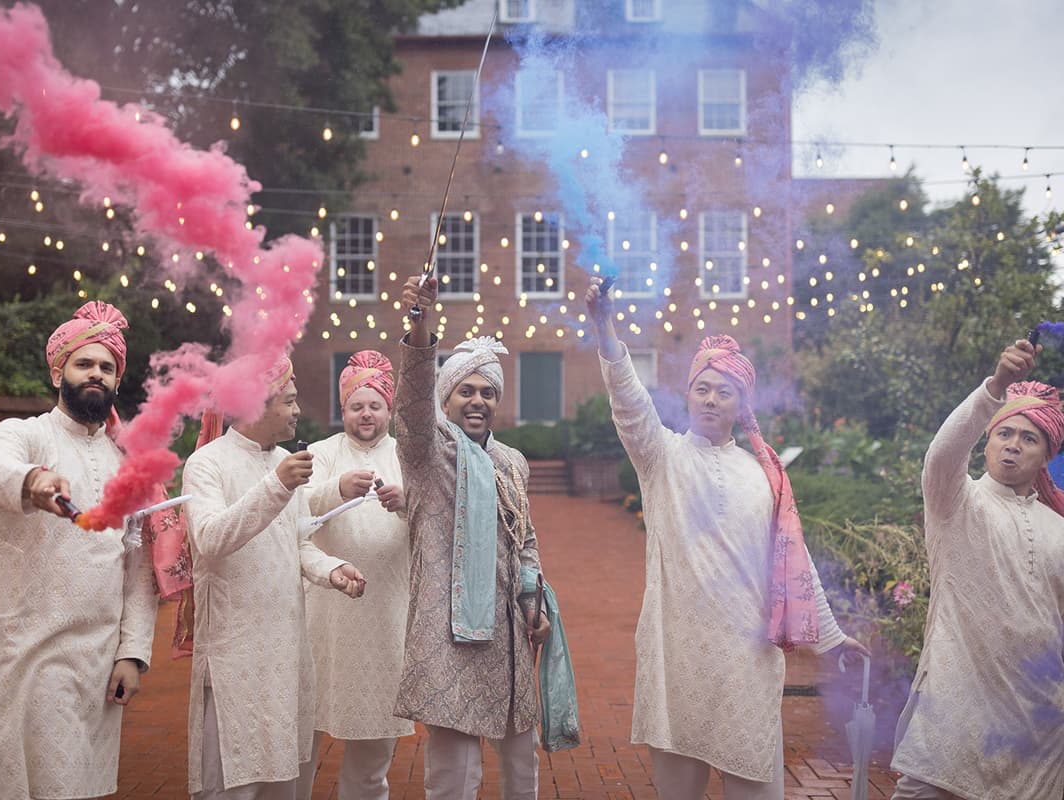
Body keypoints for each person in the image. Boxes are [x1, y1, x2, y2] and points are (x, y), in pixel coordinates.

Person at [583, 277, 866, 800]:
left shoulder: (765, 473)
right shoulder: (661, 456)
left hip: (748, 653)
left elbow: (792, 562)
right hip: (678, 650)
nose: (712, 399)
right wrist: (605, 330)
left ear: (742, 403)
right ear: (688, 394)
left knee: (757, 786)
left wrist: (831, 637)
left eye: (725, 391)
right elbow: (628, 401)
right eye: (702, 388)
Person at [0, 300, 157, 800]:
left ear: (118, 382)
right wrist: (32, 482)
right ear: (58, 371)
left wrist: (132, 654)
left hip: (97, 658)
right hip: (32, 651)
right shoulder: (23, 434)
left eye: (107, 367)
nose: (96, 373)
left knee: (85, 787)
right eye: (84, 363)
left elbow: (137, 566)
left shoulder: (126, 461)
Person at [393, 276, 553, 800]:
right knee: (455, 775)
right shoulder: (427, 453)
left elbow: (523, 538)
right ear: (448, 397)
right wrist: (421, 327)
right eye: (466, 390)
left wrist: (534, 599)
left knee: (522, 763)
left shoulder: (512, 462)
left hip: (507, 636)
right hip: (451, 637)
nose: (478, 400)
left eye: (488, 391)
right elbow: (413, 404)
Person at [182, 357, 367, 800]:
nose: (298, 410)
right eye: (289, 400)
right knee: (230, 784)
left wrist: (331, 570)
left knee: (282, 781)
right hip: (233, 658)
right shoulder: (206, 464)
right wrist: (276, 486)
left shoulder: (286, 461)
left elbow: (298, 542)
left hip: (286, 653)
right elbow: (210, 539)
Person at [890, 338, 1064, 800]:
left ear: (1046, 456)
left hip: (1040, 728)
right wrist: (995, 387)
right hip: (956, 705)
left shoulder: (1059, 527)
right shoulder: (957, 502)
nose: (1012, 446)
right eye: (1004, 434)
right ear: (987, 441)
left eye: (1029, 439)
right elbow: (942, 455)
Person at [295, 350, 413, 800]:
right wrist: (335, 489)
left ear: (390, 408)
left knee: (372, 751)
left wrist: (409, 504)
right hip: (323, 618)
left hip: (386, 616)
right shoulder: (319, 453)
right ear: (342, 409)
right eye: (356, 405)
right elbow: (291, 515)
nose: (366, 414)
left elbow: (438, 527)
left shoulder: (408, 457)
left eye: (375, 405)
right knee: (301, 739)